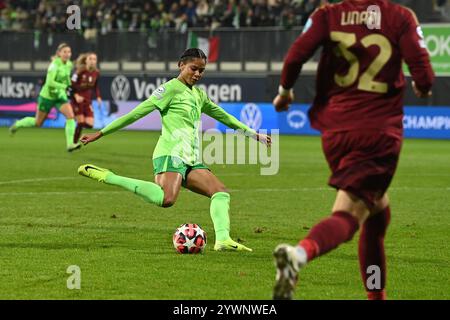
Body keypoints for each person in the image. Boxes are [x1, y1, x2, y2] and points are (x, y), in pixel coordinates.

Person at [272, 0, 434, 300]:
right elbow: (423, 73)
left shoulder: (327, 14)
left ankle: (376, 295)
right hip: (377, 133)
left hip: (334, 134)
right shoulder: (400, 16)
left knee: (378, 212)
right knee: (351, 213)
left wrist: (284, 92)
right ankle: (298, 256)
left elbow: (296, 55)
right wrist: (423, 87)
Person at [77, 48, 271, 252]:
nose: (197, 74)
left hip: (190, 157)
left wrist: (253, 134)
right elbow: (136, 113)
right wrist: (101, 133)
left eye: (201, 71)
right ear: (181, 65)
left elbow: (225, 117)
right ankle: (108, 176)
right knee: (166, 199)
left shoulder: (199, 95)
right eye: (194, 69)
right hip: (170, 152)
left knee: (220, 193)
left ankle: (223, 239)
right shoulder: (169, 89)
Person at [9, 43, 81, 152]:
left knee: (70, 116)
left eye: (69, 52)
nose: (67, 54)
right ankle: (17, 124)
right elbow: (50, 82)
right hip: (46, 97)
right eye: (64, 52)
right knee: (38, 123)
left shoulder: (69, 64)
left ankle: (70, 144)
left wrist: (70, 86)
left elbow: (67, 78)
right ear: (59, 53)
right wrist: (64, 86)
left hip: (59, 97)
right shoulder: (54, 65)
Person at [70, 52, 102, 143]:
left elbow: (96, 86)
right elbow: (71, 85)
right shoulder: (79, 71)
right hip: (78, 101)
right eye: (90, 59)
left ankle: (74, 126)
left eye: (94, 59)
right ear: (86, 61)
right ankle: (74, 142)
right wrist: (75, 95)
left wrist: (99, 97)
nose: (92, 61)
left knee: (90, 124)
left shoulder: (96, 73)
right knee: (80, 122)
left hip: (88, 101)